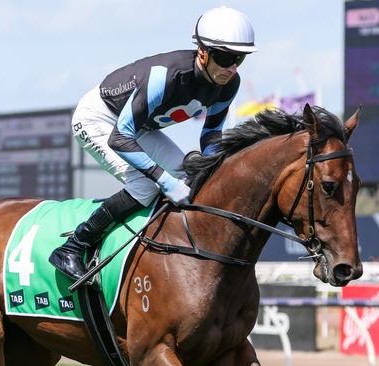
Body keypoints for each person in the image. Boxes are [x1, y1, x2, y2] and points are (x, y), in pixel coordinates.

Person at [49, 6, 257, 280]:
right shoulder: (166, 77)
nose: (231, 67)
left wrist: (212, 167)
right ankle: (74, 246)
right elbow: (120, 138)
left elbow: (211, 134)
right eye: (225, 57)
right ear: (203, 52)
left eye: (239, 59)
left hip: (140, 126)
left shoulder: (229, 83)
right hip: (100, 118)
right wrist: (163, 179)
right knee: (146, 185)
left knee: (188, 174)